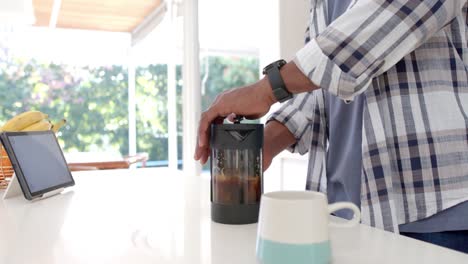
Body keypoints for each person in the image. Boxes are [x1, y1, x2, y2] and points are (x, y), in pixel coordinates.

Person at [194, 0, 468, 253]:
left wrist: (267, 89)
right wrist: (264, 143)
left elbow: (377, 29)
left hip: (435, 210)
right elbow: (320, 84)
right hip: (344, 213)